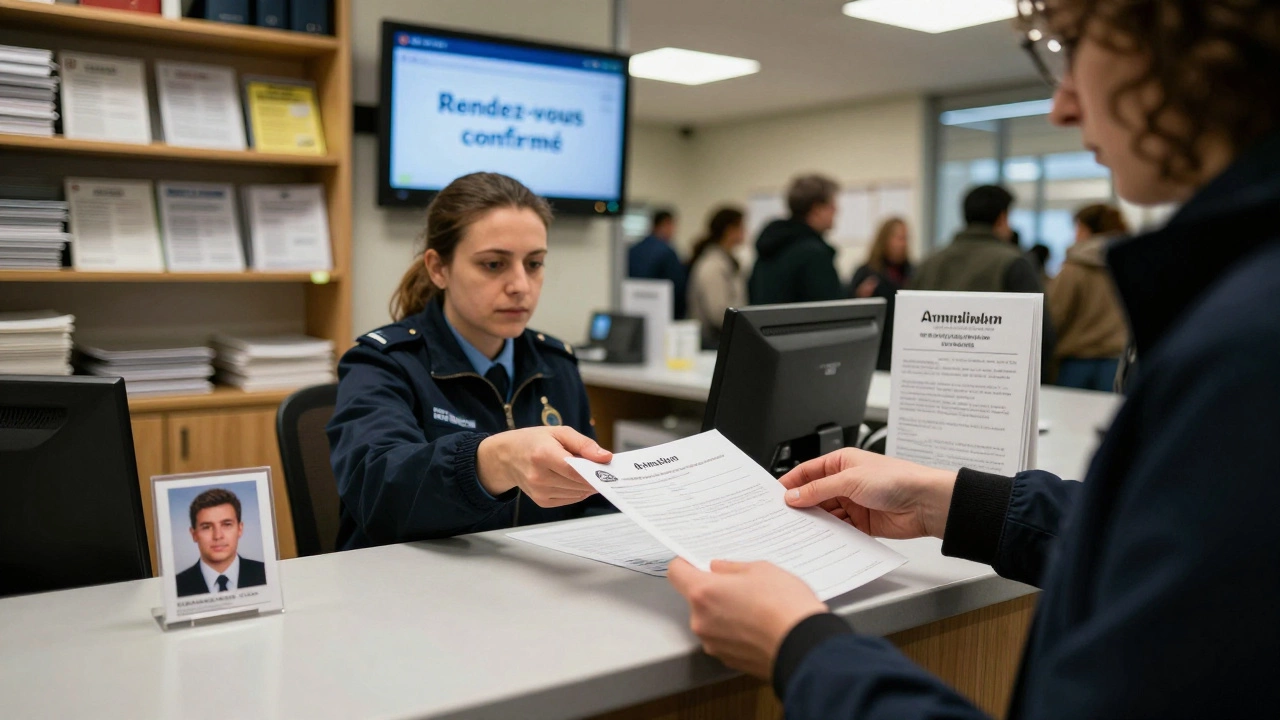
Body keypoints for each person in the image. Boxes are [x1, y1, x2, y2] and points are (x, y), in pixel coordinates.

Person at [668, 2, 1280, 718]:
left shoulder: (1248, 346)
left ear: (1198, 47)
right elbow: (1153, 543)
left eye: (1073, 47)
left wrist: (802, 646)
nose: (1061, 104)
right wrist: (948, 500)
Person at [327, 172, 613, 550]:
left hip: (531, 590)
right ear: (438, 268)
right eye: (494, 264)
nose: (520, 286)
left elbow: (587, 502)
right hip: (409, 591)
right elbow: (381, 494)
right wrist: (493, 461)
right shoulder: (382, 362)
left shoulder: (555, 362)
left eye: (534, 264)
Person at [912, 185, 1057, 379]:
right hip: (994, 388)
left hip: (935, 381)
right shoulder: (1014, 263)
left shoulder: (928, 262)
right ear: (1002, 218)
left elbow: (911, 327)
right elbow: (1041, 335)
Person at [1049, 204, 1129, 390]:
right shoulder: (1131, 262)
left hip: (1076, 363)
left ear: (1085, 229)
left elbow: (1056, 314)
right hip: (1116, 361)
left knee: (1068, 417)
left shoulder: (1073, 268)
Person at [748, 174, 845, 305]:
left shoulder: (771, 245)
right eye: (832, 205)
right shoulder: (814, 253)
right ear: (816, 209)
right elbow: (828, 308)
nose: (837, 210)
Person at [175, 488, 267, 597]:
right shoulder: (176, 586)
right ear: (194, 534)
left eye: (227, 524)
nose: (218, 536)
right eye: (207, 527)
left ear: (240, 529)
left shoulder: (266, 574)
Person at [849, 217, 913, 371]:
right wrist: (859, 297)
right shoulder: (867, 273)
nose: (903, 244)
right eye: (899, 238)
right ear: (885, 240)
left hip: (905, 349)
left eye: (906, 238)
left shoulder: (912, 273)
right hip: (876, 352)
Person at [687, 206, 747, 349]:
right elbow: (718, 313)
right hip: (712, 343)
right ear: (729, 230)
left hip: (724, 338)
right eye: (741, 227)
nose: (745, 231)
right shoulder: (712, 265)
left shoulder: (727, 261)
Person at [627, 209, 688, 319]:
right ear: (666, 224)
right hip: (662, 313)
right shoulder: (666, 252)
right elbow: (678, 288)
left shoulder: (633, 250)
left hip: (633, 311)